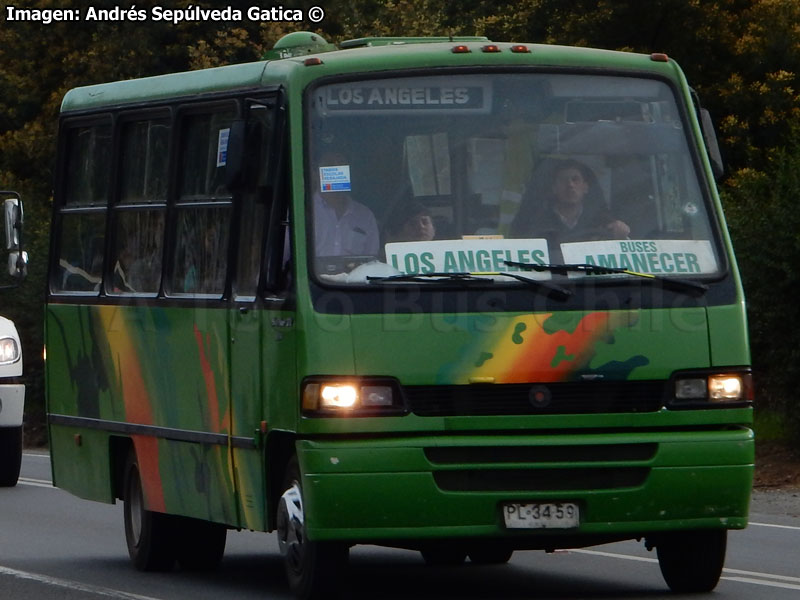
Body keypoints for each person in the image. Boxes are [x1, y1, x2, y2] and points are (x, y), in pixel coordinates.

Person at [510, 159, 630, 244]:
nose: (570, 185)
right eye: (563, 180)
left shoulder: (603, 223)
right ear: (554, 188)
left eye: (575, 179)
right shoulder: (534, 223)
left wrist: (621, 238)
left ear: (586, 187)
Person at [313, 151, 379, 257]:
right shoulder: (301, 213)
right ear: (315, 174)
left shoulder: (365, 216)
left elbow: (371, 261)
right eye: (329, 165)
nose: (336, 170)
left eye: (341, 165)